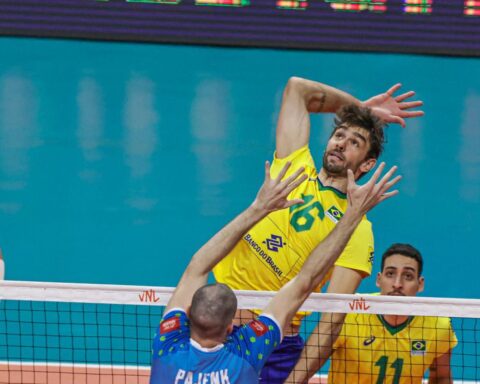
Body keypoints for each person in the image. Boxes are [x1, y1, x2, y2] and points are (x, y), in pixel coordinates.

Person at [212, 77, 424, 382]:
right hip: (217, 326)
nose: (341, 143)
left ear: (367, 164)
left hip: (274, 347)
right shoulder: (295, 164)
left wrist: (295, 380)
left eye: (355, 143)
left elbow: (331, 320)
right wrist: (359, 107)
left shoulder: (357, 227)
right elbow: (297, 88)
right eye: (339, 135)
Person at [149, 160, 401, 384]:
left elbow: (197, 266)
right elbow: (305, 282)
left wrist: (258, 208)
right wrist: (353, 214)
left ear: (188, 314)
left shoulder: (168, 345)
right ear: (230, 330)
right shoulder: (245, 353)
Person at [289, 243, 457, 383]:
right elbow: (305, 369)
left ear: (420, 284)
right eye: (390, 274)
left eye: (407, 276)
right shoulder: (348, 313)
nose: (397, 284)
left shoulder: (438, 326)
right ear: (379, 279)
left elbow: (441, 377)